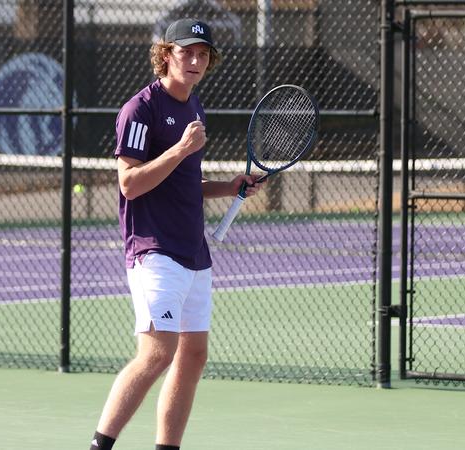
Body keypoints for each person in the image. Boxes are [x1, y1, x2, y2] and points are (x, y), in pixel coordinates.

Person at [89, 18, 264, 450]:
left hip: (194, 253)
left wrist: (228, 187)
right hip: (155, 251)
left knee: (193, 356)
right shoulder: (140, 109)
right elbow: (130, 183)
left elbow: (184, 183)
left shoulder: (194, 107)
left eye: (203, 54)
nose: (195, 61)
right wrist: (181, 148)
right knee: (156, 354)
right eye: (186, 52)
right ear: (166, 55)